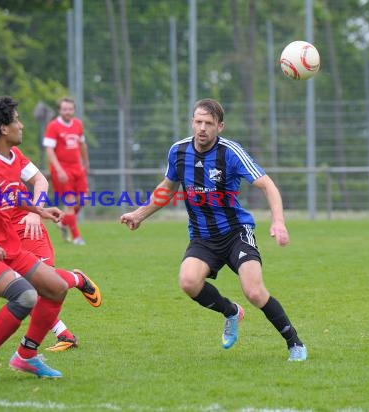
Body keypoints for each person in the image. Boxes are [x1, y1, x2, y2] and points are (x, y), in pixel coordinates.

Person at [120, 98, 307, 362]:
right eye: (198, 121)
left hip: (235, 233)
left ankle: (294, 343)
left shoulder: (231, 152)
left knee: (254, 291)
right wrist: (139, 214)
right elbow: (167, 188)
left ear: (220, 126)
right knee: (188, 282)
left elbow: (268, 185)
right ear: (192, 122)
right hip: (202, 237)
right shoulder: (178, 151)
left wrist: (278, 221)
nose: (202, 128)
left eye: (209, 123)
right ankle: (231, 312)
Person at [0, 96, 101, 386]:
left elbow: (8, 195)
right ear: (3, 128)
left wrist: (38, 210)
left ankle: (26, 356)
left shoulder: (12, 158)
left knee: (55, 288)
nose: (21, 125)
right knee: (26, 295)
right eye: (16, 120)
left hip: (7, 245)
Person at [43, 97, 90, 245]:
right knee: (69, 202)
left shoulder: (78, 124)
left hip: (77, 167)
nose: (68, 112)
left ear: (74, 110)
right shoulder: (53, 126)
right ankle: (76, 237)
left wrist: (86, 162)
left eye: (70, 109)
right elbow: (49, 150)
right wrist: (58, 170)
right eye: (65, 109)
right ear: (59, 110)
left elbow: (82, 145)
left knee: (83, 200)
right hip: (62, 168)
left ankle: (64, 222)